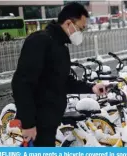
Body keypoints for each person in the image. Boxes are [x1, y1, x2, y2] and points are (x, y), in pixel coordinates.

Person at [11, 2, 106, 147]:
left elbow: (63, 81)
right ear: (68, 23)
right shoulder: (39, 41)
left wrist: (91, 87)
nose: (81, 33)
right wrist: (28, 124)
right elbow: (21, 84)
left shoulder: (60, 46)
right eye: (81, 28)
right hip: (37, 124)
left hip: (50, 122)